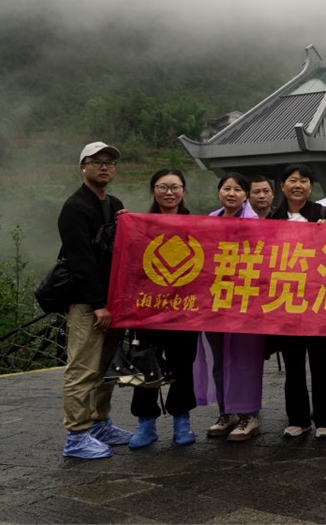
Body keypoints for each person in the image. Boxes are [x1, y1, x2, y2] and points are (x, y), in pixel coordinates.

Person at [57, 141, 132, 459]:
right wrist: (98, 304)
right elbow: (81, 261)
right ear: (82, 167)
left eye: (109, 162)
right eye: (96, 161)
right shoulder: (75, 208)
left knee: (105, 366)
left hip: (113, 300)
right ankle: (76, 435)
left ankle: (100, 423)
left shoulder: (114, 204)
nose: (104, 166)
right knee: (83, 367)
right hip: (88, 303)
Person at [266, 164, 326, 439]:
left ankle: (324, 417)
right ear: (282, 186)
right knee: (293, 365)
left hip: (319, 302)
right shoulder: (273, 218)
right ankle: (297, 418)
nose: (298, 185)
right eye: (292, 180)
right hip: (287, 304)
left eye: (304, 181)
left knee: (323, 364)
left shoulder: (323, 213)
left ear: (311, 187)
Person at [128, 169, 199, 449]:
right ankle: (145, 423)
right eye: (162, 187)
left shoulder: (198, 225)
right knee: (145, 364)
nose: (169, 192)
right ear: (153, 190)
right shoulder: (140, 225)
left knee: (183, 366)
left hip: (185, 309)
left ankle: (182, 421)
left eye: (175, 187)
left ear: (184, 191)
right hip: (149, 310)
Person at [197, 172, 265, 442]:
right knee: (220, 360)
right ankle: (226, 412)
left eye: (238, 189)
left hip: (247, 302)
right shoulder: (210, 221)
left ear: (246, 195)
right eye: (227, 188)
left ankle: (249, 415)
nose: (232, 193)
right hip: (216, 301)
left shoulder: (257, 223)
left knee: (245, 360)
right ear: (219, 193)